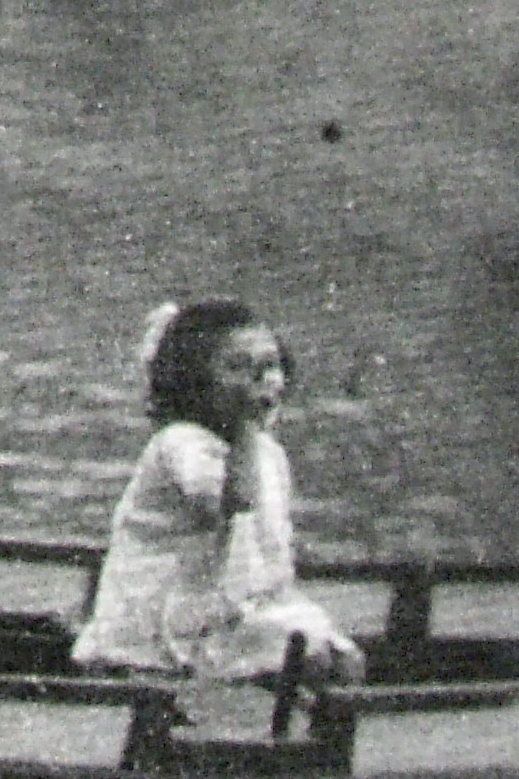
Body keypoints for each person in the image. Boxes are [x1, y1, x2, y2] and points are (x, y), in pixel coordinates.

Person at [72, 300, 364, 707]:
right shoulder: (180, 443)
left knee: (337, 659)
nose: (262, 382)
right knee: (297, 659)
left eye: (270, 366)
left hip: (218, 610)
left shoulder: (267, 453)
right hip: (158, 625)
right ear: (195, 383)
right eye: (239, 369)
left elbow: (267, 550)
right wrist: (246, 423)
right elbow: (233, 501)